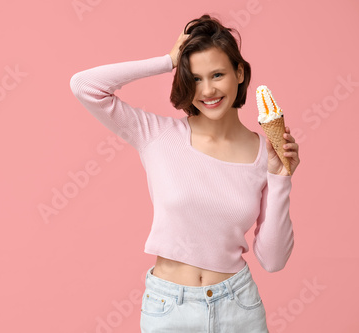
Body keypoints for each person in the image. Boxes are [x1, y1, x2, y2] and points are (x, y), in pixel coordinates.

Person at [70, 14, 300, 333]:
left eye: (217, 74)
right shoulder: (157, 135)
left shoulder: (266, 154)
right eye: (194, 78)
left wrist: (280, 176)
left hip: (239, 307)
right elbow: (84, 86)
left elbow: (273, 261)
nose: (207, 90)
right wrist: (167, 61)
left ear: (240, 72)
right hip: (169, 309)